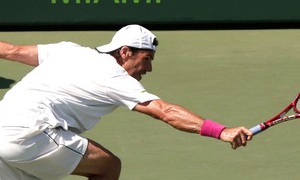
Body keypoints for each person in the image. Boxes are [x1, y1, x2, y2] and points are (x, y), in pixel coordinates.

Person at [0, 24, 253, 180]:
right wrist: (221, 131)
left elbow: (13, 51)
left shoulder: (68, 49)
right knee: (108, 167)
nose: (149, 68)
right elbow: (166, 111)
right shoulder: (115, 77)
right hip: (30, 134)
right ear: (125, 52)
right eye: (147, 58)